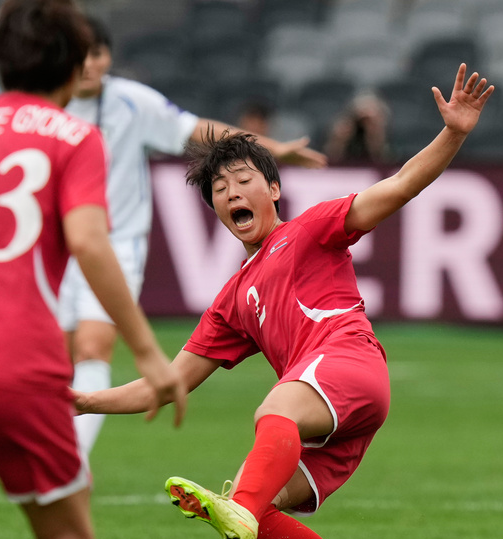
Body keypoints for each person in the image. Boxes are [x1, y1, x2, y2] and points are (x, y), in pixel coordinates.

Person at [74, 63, 493, 539]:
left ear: (274, 189)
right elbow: (164, 384)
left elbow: (398, 187)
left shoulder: (312, 229)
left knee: (270, 420)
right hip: (332, 412)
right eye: (220, 190)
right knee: (263, 505)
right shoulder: (230, 301)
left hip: (349, 364)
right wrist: (81, 401)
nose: (232, 193)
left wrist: (453, 133)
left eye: (243, 180)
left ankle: (240, 508)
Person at [0, 1, 186, 539]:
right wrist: (149, 352)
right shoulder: (74, 136)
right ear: (73, 67)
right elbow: (91, 242)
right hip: (15, 362)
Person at [60, 16, 327, 460]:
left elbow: (196, 130)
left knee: (92, 345)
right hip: (53, 247)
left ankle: (73, 460)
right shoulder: (46, 105)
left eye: (97, 53)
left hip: (114, 244)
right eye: (78, 54)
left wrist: (271, 148)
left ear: (108, 58)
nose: (88, 64)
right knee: (56, 355)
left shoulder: (132, 102)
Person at [323, 91, 391, 164]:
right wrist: (339, 140)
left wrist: (374, 133)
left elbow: (384, 161)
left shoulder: (387, 136)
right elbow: (331, 160)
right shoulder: (347, 132)